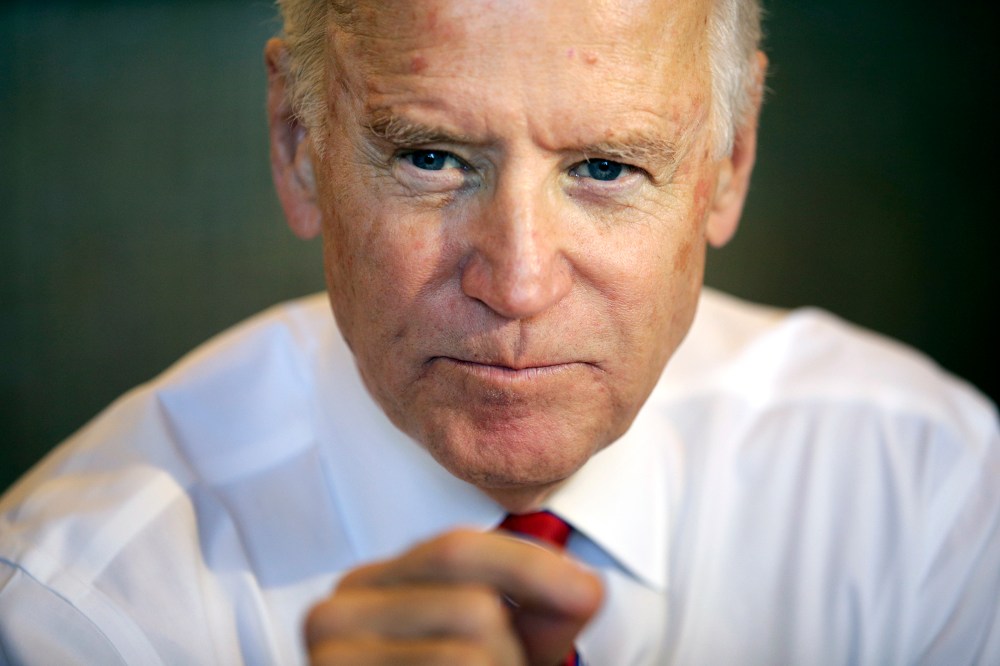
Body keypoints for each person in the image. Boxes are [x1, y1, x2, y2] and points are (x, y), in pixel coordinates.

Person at [1, 0, 997, 663]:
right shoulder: (76, 605)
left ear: (726, 166)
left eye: (606, 168)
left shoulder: (922, 495)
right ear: (298, 146)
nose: (517, 285)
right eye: (432, 157)